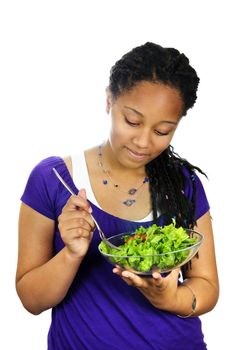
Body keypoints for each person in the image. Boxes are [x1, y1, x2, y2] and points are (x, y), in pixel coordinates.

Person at [16, 42, 219, 350]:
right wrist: (71, 254)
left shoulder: (183, 184)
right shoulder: (54, 180)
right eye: (132, 121)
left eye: (163, 131)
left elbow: (207, 286)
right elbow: (31, 300)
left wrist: (171, 297)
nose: (143, 141)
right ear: (109, 100)